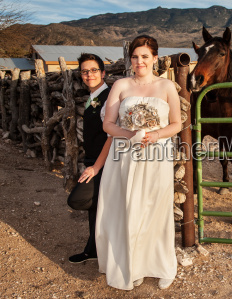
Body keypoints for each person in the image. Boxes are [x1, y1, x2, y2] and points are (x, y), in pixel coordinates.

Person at [95, 35, 181, 290]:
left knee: (155, 209)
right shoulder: (121, 85)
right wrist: (131, 135)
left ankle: (161, 264)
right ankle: (134, 265)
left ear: (155, 58)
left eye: (145, 56)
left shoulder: (167, 86)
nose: (139, 61)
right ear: (130, 59)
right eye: (135, 56)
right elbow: (107, 124)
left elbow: (176, 124)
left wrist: (155, 134)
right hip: (124, 155)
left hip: (157, 156)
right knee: (128, 208)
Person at [67, 53, 112, 263]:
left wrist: (96, 166)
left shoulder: (109, 97)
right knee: (94, 208)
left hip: (104, 162)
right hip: (92, 160)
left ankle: (108, 245)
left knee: (77, 199)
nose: (89, 74)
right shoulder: (92, 97)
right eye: (85, 71)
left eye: (94, 70)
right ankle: (92, 249)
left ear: (103, 73)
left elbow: (111, 136)